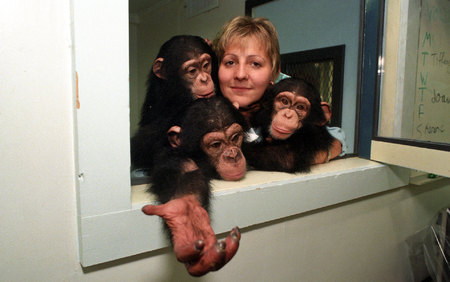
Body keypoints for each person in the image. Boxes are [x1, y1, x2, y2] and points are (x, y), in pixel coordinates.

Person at [213, 16, 346, 162]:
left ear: (274, 73)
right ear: (217, 68)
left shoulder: (285, 89)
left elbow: (333, 137)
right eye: (230, 62)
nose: (240, 74)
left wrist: (300, 157)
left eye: (255, 64)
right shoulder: (205, 91)